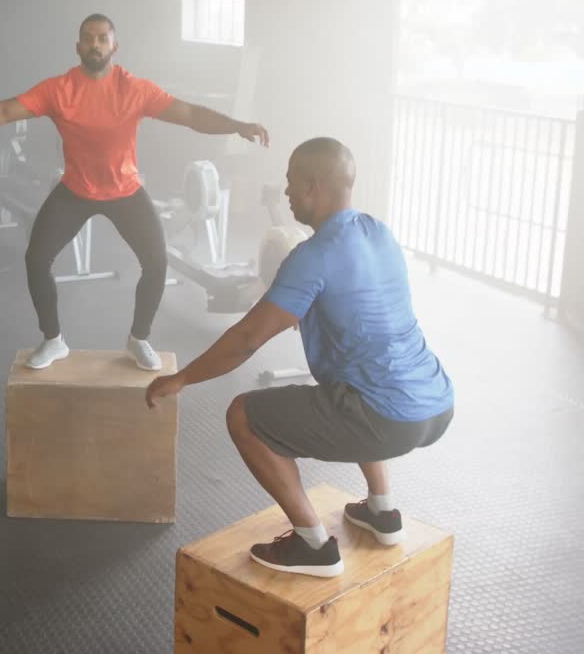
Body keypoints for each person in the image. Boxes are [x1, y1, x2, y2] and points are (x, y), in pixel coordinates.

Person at [145, 137, 455, 578]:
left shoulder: (313, 256)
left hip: (387, 418)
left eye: (291, 183)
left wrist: (181, 379)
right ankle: (382, 510)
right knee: (351, 379)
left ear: (312, 187)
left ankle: (313, 545)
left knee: (244, 415)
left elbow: (248, 338)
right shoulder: (379, 232)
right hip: (437, 402)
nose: (286, 193)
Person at [0, 13, 269, 371]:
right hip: (76, 189)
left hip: (125, 190)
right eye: (88, 38)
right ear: (78, 46)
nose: (95, 44)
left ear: (114, 47)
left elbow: (190, 114)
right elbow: (6, 110)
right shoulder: (58, 89)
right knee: (36, 258)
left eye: (102, 38)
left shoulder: (134, 89)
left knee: (156, 262)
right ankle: (53, 340)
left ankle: (139, 339)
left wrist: (235, 126)